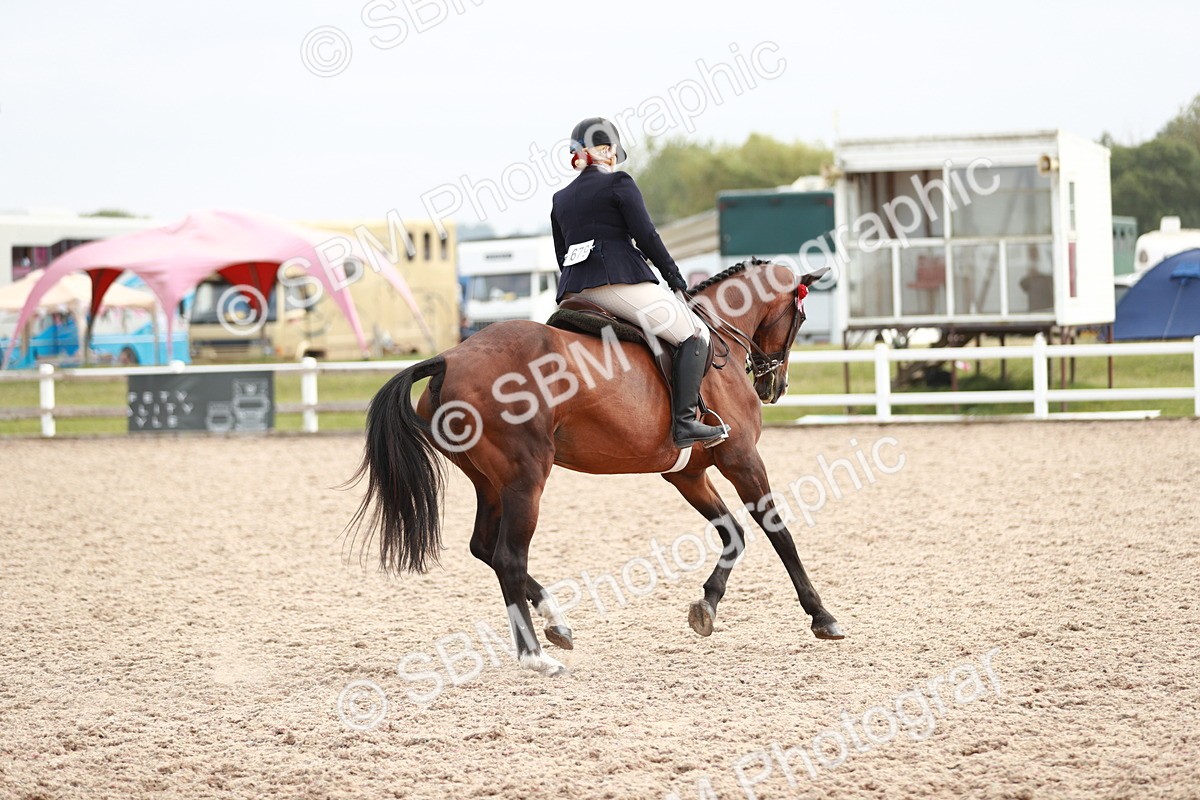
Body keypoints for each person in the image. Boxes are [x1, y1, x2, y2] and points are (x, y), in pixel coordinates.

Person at [550, 117, 727, 448]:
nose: (615, 158)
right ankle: (685, 422)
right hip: (616, 283)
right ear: (605, 150)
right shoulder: (618, 182)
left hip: (573, 292)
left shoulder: (560, 198)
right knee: (695, 333)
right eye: (613, 151)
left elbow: (562, 254)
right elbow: (646, 235)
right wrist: (673, 277)